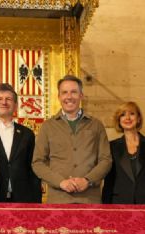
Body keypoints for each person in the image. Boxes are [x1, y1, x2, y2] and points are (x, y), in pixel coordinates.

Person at [32, 75, 112, 204]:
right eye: (64, 92)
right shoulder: (48, 126)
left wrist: (87, 180)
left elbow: (106, 160)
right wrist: (60, 182)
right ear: (59, 97)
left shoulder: (96, 125)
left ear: (81, 95)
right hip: (58, 200)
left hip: (90, 199)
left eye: (74, 92)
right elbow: (38, 162)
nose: (69, 97)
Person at [0, 83, 41, 203]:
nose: (4, 102)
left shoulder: (27, 134)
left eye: (8, 99)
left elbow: (33, 169)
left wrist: (36, 200)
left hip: (23, 198)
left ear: (15, 105)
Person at [102, 102, 145, 204]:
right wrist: (105, 208)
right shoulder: (111, 146)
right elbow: (109, 181)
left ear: (139, 118)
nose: (127, 118)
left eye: (132, 113)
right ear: (119, 120)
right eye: (123, 115)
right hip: (119, 204)